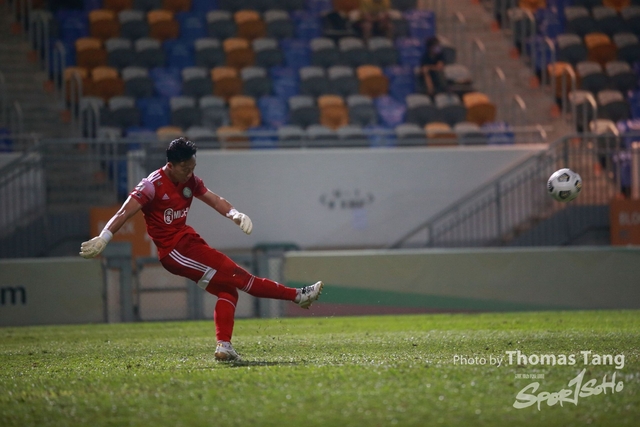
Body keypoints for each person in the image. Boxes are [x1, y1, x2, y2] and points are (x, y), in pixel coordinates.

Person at [79, 137, 323, 361]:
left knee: (229, 291)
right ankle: (297, 296)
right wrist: (104, 237)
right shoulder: (151, 185)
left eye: (193, 167)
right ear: (171, 165)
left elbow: (214, 199)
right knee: (241, 277)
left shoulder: (190, 180)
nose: (190, 173)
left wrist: (235, 214)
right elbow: (124, 212)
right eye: (185, 168)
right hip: (175, 251)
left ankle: (224, 347)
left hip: (188, 242)